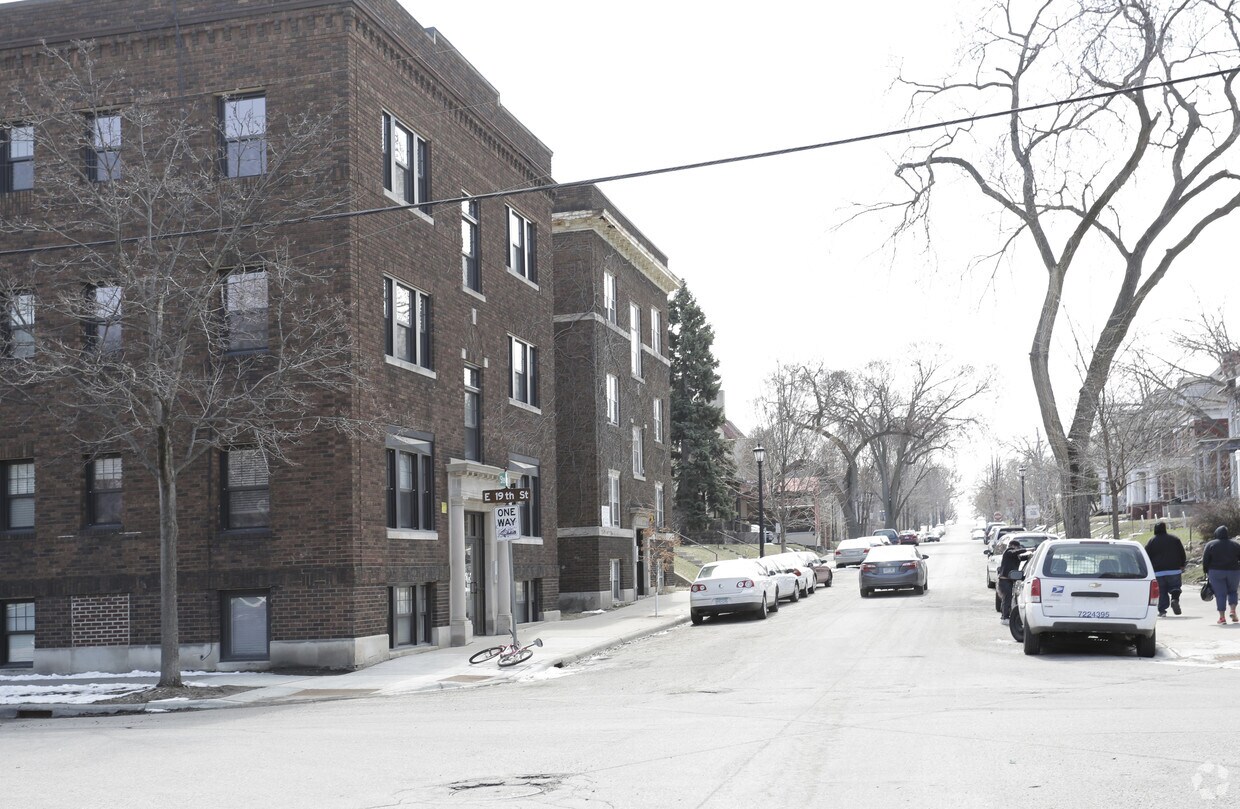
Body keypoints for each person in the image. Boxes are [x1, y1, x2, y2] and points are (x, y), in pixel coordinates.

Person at [1145, 522, 1187, 617]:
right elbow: (1181, 552)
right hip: (1174, 569)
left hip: (1157, 571)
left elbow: (1147, 555)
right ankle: (1175, 599)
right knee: (1175, 587)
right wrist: (1182, 564)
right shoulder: (1175, 539)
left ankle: (1162, 610)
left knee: (1161, 591)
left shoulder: (1151, 541)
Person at [1201, 525, 1240, 625]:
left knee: (1220, 594)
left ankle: (1222, 618)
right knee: (1232, 591)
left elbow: (1205, 560)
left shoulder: (1211, 544)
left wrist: (1206, 571)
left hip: (1215, 572)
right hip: (1233, 571)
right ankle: (1233, 611)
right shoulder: (1235, 544)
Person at [997, 537, 1024, 624]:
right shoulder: (1008, 552)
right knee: (1007, 598)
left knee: (1008, 598)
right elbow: (1014, 552)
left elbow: (1022, 558)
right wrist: (1026, 549)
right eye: (1017, 547)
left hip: (1009, 580)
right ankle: (1005, 617)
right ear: (1012, 546)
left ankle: (1004, 616)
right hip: (1004, 580)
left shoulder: (1013, 556)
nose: (1018, 549)